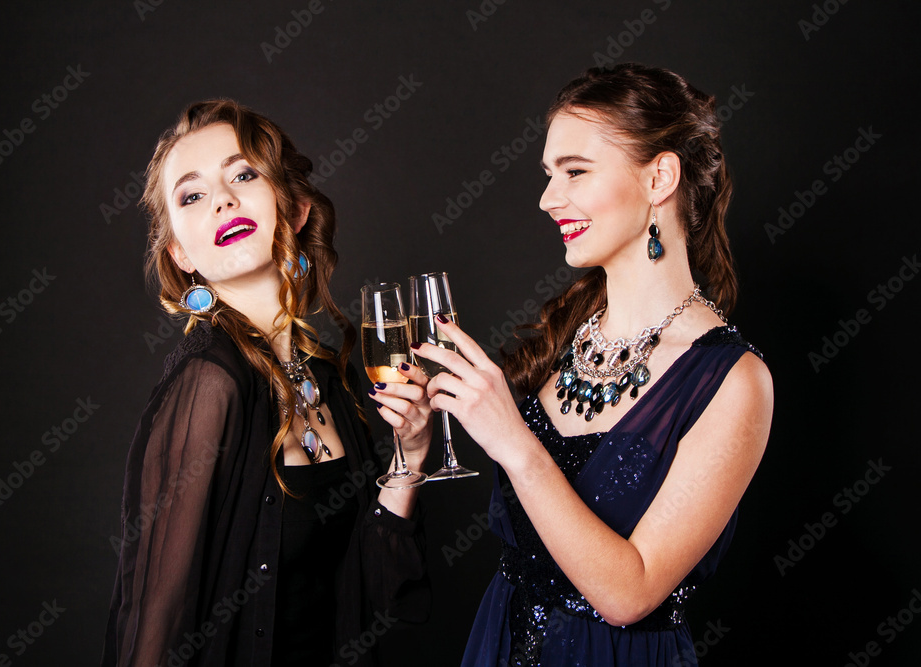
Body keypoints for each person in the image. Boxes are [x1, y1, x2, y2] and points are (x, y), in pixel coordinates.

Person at [412, 63, 774, 666]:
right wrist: (417, 443)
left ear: (661, 176)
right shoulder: (564, 338)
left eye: (575, 172)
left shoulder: (733, 381)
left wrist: (514, 442)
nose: (548, 199)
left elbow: (628, 594)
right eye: (549, 174)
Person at [102, 99, 433, 667]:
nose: (224, 199)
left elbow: (370, 595)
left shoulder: (329, 376)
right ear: (180, 254)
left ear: (296, 208)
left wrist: (412, 456)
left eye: (244, 174)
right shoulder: (209, 382)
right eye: (192, 195)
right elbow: (152, 622)